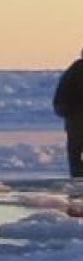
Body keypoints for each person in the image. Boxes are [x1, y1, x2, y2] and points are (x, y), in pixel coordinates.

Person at [53, 49, 83, 177]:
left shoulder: (75, 69)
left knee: (75, 152)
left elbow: (60, 97)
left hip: (75, 118)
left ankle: (77, 177)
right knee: (75, 151)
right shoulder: (76, 70)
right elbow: (61, 96)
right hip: (76, 117)